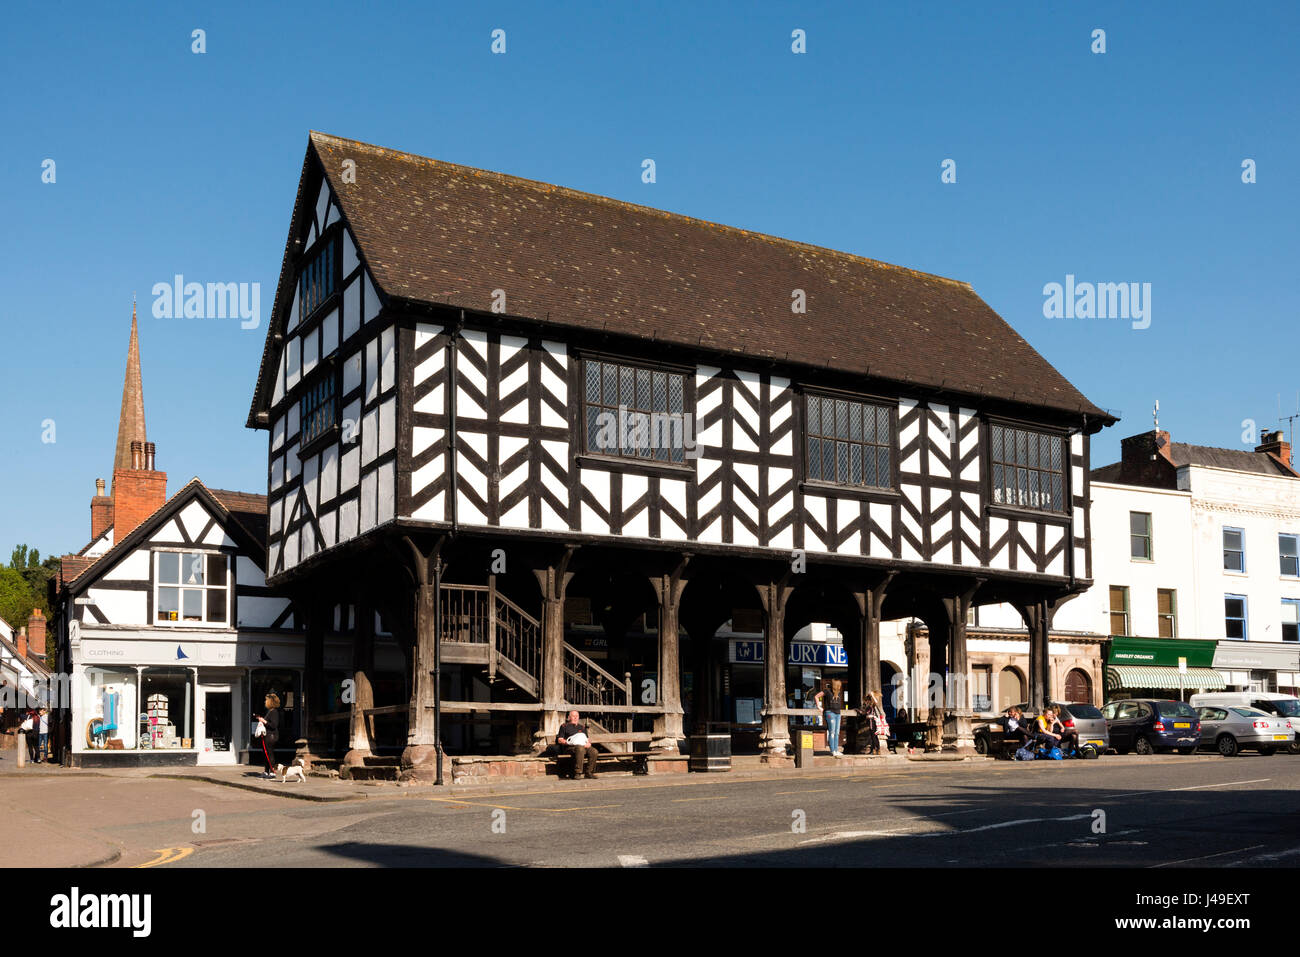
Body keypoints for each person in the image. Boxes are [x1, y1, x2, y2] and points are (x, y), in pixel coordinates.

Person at [557, 709, 598, 779]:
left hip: (583, 746)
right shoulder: (564, 726)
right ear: (569, 717)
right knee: (580, 748)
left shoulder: (582, 727)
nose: (575, 717)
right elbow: (560, 740)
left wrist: (588, 743)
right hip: (569, 747)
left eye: (577, 716)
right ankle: (578, 772)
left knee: (594, 751)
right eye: (573, 716)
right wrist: (568, 742)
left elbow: (587, 739)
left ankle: (589, 772)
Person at [254, 693, 282, 778]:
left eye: (266, 700)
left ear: (270, 701)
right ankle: (266, 771)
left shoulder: (274, 712)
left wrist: (264, 721)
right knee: (266, 753)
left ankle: (272, 772)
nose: (265, 702)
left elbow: (274, 725)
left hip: (271, 736)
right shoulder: (270, 711)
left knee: (269, 753)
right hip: (267, 736)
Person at [823, 679, 843, 758]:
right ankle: (832, 751)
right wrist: (819, 706)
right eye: (839, 685)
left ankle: (836, 750)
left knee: (837, 733)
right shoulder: (827, 691)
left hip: (838, 714)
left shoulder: (838, 693)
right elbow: (816, 696)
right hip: (830, 713)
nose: (840, 687)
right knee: (832, 732)